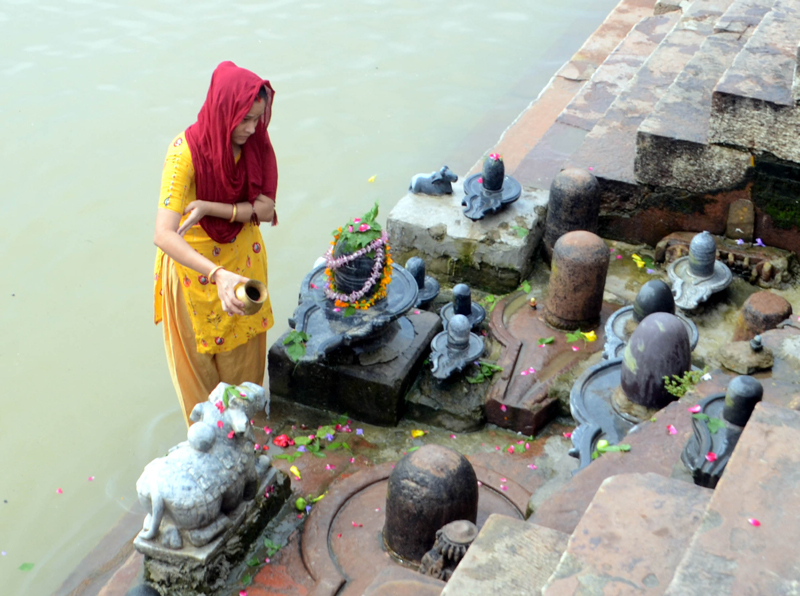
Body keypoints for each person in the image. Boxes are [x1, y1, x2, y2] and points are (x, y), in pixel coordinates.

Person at [153, 61, 277, 426]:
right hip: (194, 278)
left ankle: (248, 446)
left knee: (245, 391)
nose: (252, 128)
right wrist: (217, 275)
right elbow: (163, 234)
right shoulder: (184, 153)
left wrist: (210, 207)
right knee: (203, 406)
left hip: (243, 269)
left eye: (257, 118)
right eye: (244, 120)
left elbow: (266, 209)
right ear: (224, 112)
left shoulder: (254, 143)